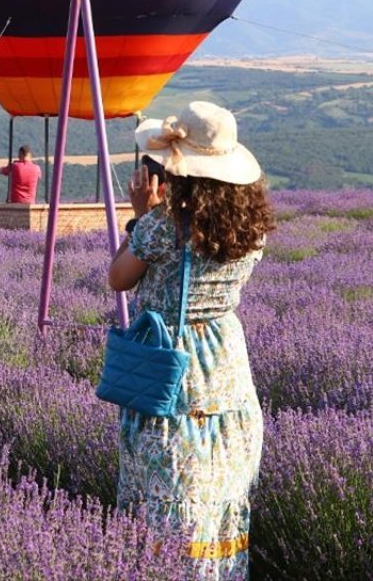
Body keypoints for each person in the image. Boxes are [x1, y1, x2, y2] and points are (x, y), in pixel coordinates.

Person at [107, 101, 276, 580]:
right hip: (225, 365)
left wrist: (141, 217)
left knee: (169, 496)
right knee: (219, 492)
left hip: (172, 363)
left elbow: (119, 279)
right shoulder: (253, 229)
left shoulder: (165, 227)